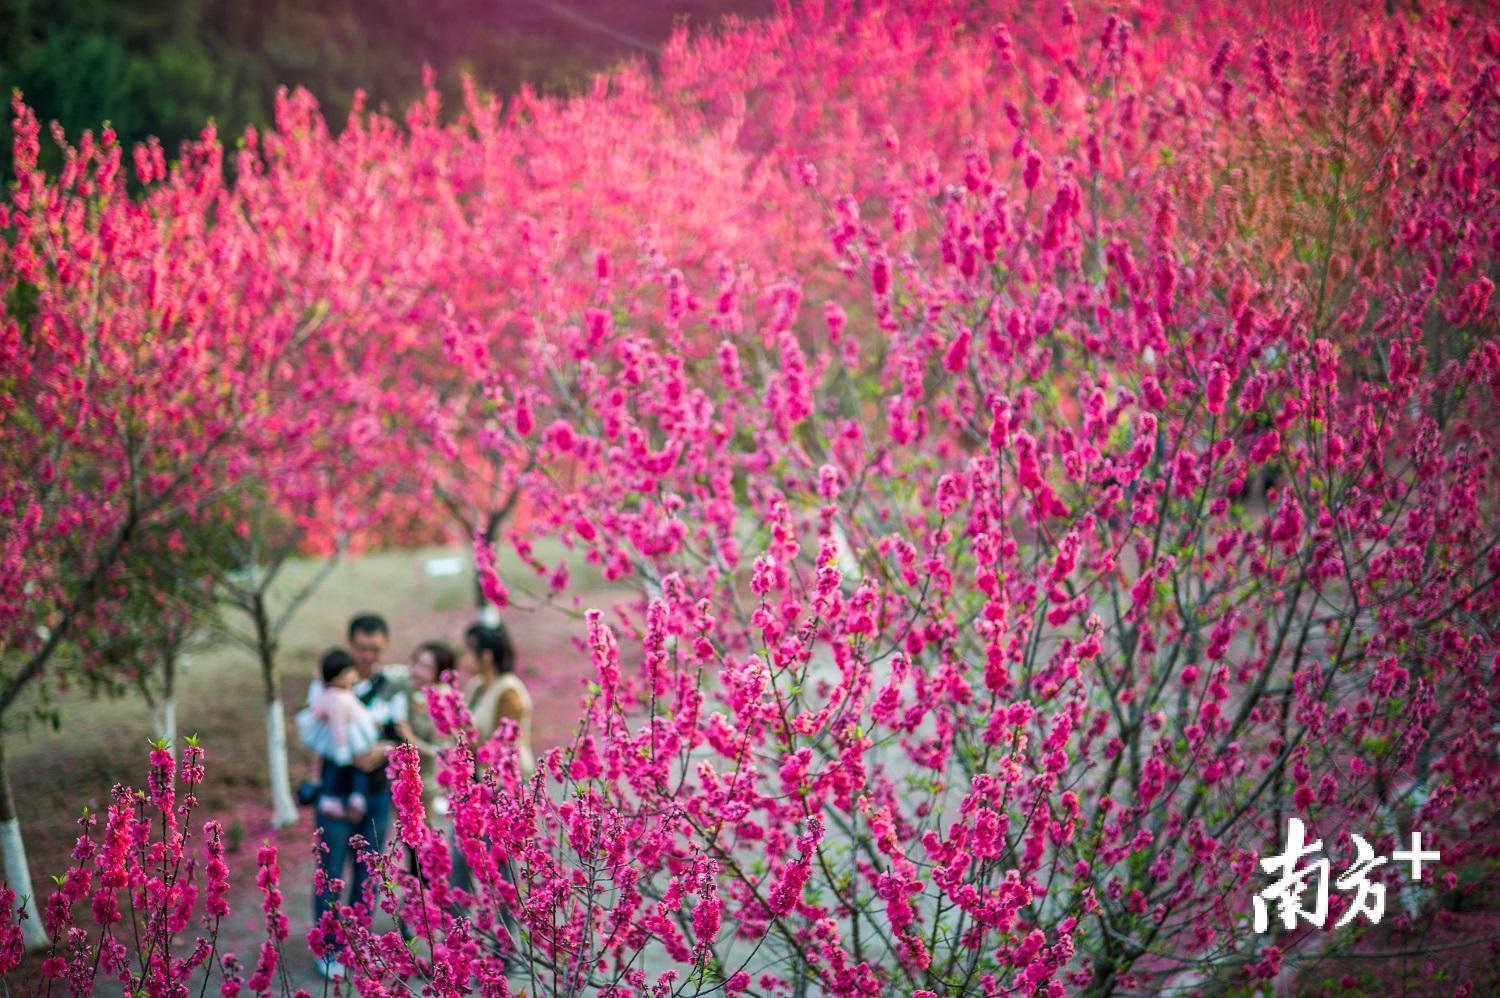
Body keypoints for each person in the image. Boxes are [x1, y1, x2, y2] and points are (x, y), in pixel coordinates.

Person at [306, 613, 410, 980]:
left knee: (369, 873)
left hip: (376, 791)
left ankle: (359, 938)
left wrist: (383, 750)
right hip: (335, 791)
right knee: (330, 872)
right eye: (362, 648)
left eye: (375, 648)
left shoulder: (393, 685)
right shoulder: (325, 683)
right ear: (350, 645)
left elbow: (400, 734)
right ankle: (328, 946)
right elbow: (318, 739)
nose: (368, 655)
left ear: (385, 646)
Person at [297, 649, 380, 822]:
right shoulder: (338, 698)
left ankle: (348, 797)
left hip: (351, 733)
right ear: (336, 678)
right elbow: (337, 725)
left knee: (349, 766)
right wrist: (341, 748)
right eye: (349, 672)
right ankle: (348, 797)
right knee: (353, 766)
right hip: (347, 738)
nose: (354, 675)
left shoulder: (336, 693)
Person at [462, 622, 534, 778]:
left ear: (486, 657)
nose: (464, 659)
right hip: (482, 777)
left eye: (468, 652)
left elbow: (501, 747)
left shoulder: (509, 692)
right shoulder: (477, 686)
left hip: (507, 780)